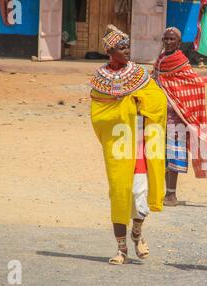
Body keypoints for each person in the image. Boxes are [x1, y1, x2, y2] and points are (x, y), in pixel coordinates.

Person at [90, 25, 167, 265]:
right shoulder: (99, 79)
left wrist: (137, 102)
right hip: (117, 145)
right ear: (110, 52)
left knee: (139, 195)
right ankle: (121, 249)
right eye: (122, 48)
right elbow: (98, 115)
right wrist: (121, 108)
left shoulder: (140, 75)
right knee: (120, 194)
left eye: (127, 46)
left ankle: (137, 232)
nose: (127, 51)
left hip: (140, 144)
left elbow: (158, 102)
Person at [152, 27, 207, 207]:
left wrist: (178, 100)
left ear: (179, 43)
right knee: (161, 155)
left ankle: (171, 194)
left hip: (176, 115)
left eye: (172, 39)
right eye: (166, 39)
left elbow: (192, 82)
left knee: (174, 154)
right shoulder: (161, 58)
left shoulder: (180, 60)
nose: (168, 42)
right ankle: (162, 192)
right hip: (160, 114)